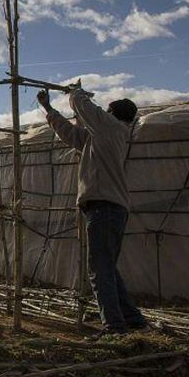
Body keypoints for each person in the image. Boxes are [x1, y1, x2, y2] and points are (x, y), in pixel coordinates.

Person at [37, 85, 146, 338]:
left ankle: (114, 327)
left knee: (99, 270)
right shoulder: (102, 137)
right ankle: (132, 319)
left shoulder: (112, 128)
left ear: (111, 115)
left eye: (106, 112)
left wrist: (76, 92)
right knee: (107, 267)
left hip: (104, 207)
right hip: (110, 208)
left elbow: (83, 107)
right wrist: (49, 109)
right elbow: (71, 134)